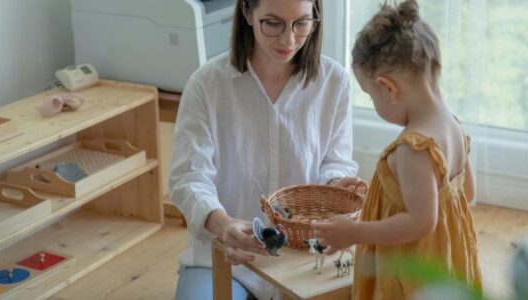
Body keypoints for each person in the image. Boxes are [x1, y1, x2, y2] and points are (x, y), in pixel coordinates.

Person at [169, 0, 363, 299]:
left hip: (304, 258)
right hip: (224, 257)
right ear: (247, 12)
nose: (288, 39)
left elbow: (334, 162)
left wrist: (336, 187)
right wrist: (222, 224)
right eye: (273, 23)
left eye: (301, 23)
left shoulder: (333, 82)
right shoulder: (207, 85)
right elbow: (188, 178)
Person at [311, 0, 482, 299]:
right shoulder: (453, 127)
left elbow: (421, 221)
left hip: (411, 277)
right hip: (447, 268)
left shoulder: (412, 148)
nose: (374, 103)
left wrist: (353, 233)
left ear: (388, 88)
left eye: (370, 95)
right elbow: (466, 195)